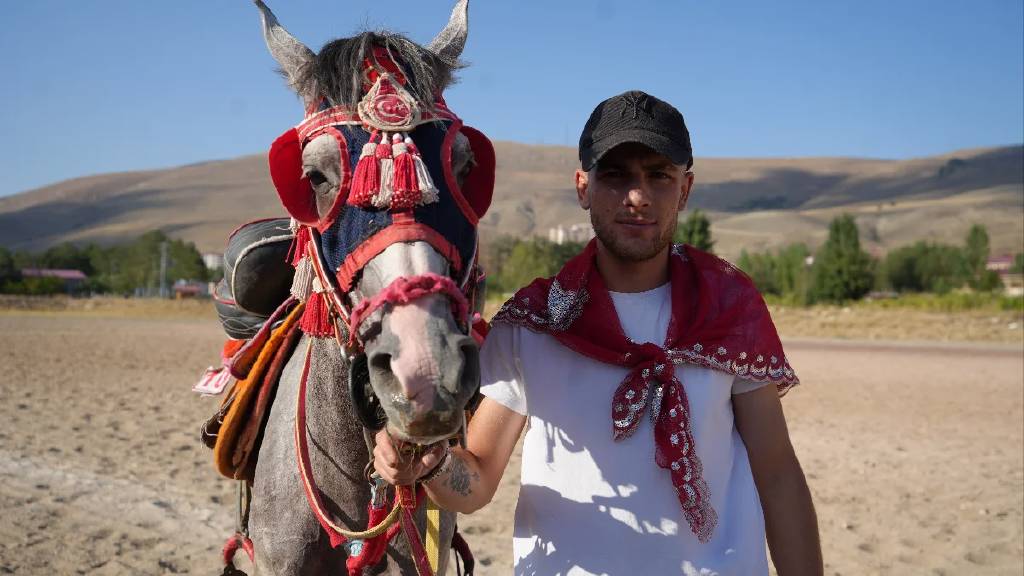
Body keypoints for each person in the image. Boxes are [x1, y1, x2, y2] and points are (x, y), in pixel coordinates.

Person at [374, 90, 823, 575]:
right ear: (583, 187)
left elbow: (776, 474)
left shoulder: (729, 309)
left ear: (686, 188)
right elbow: (479, 479)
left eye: (659, 176)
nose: (638, 196)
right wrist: (430, 463)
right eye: (615, 176)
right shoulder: (533, 323)